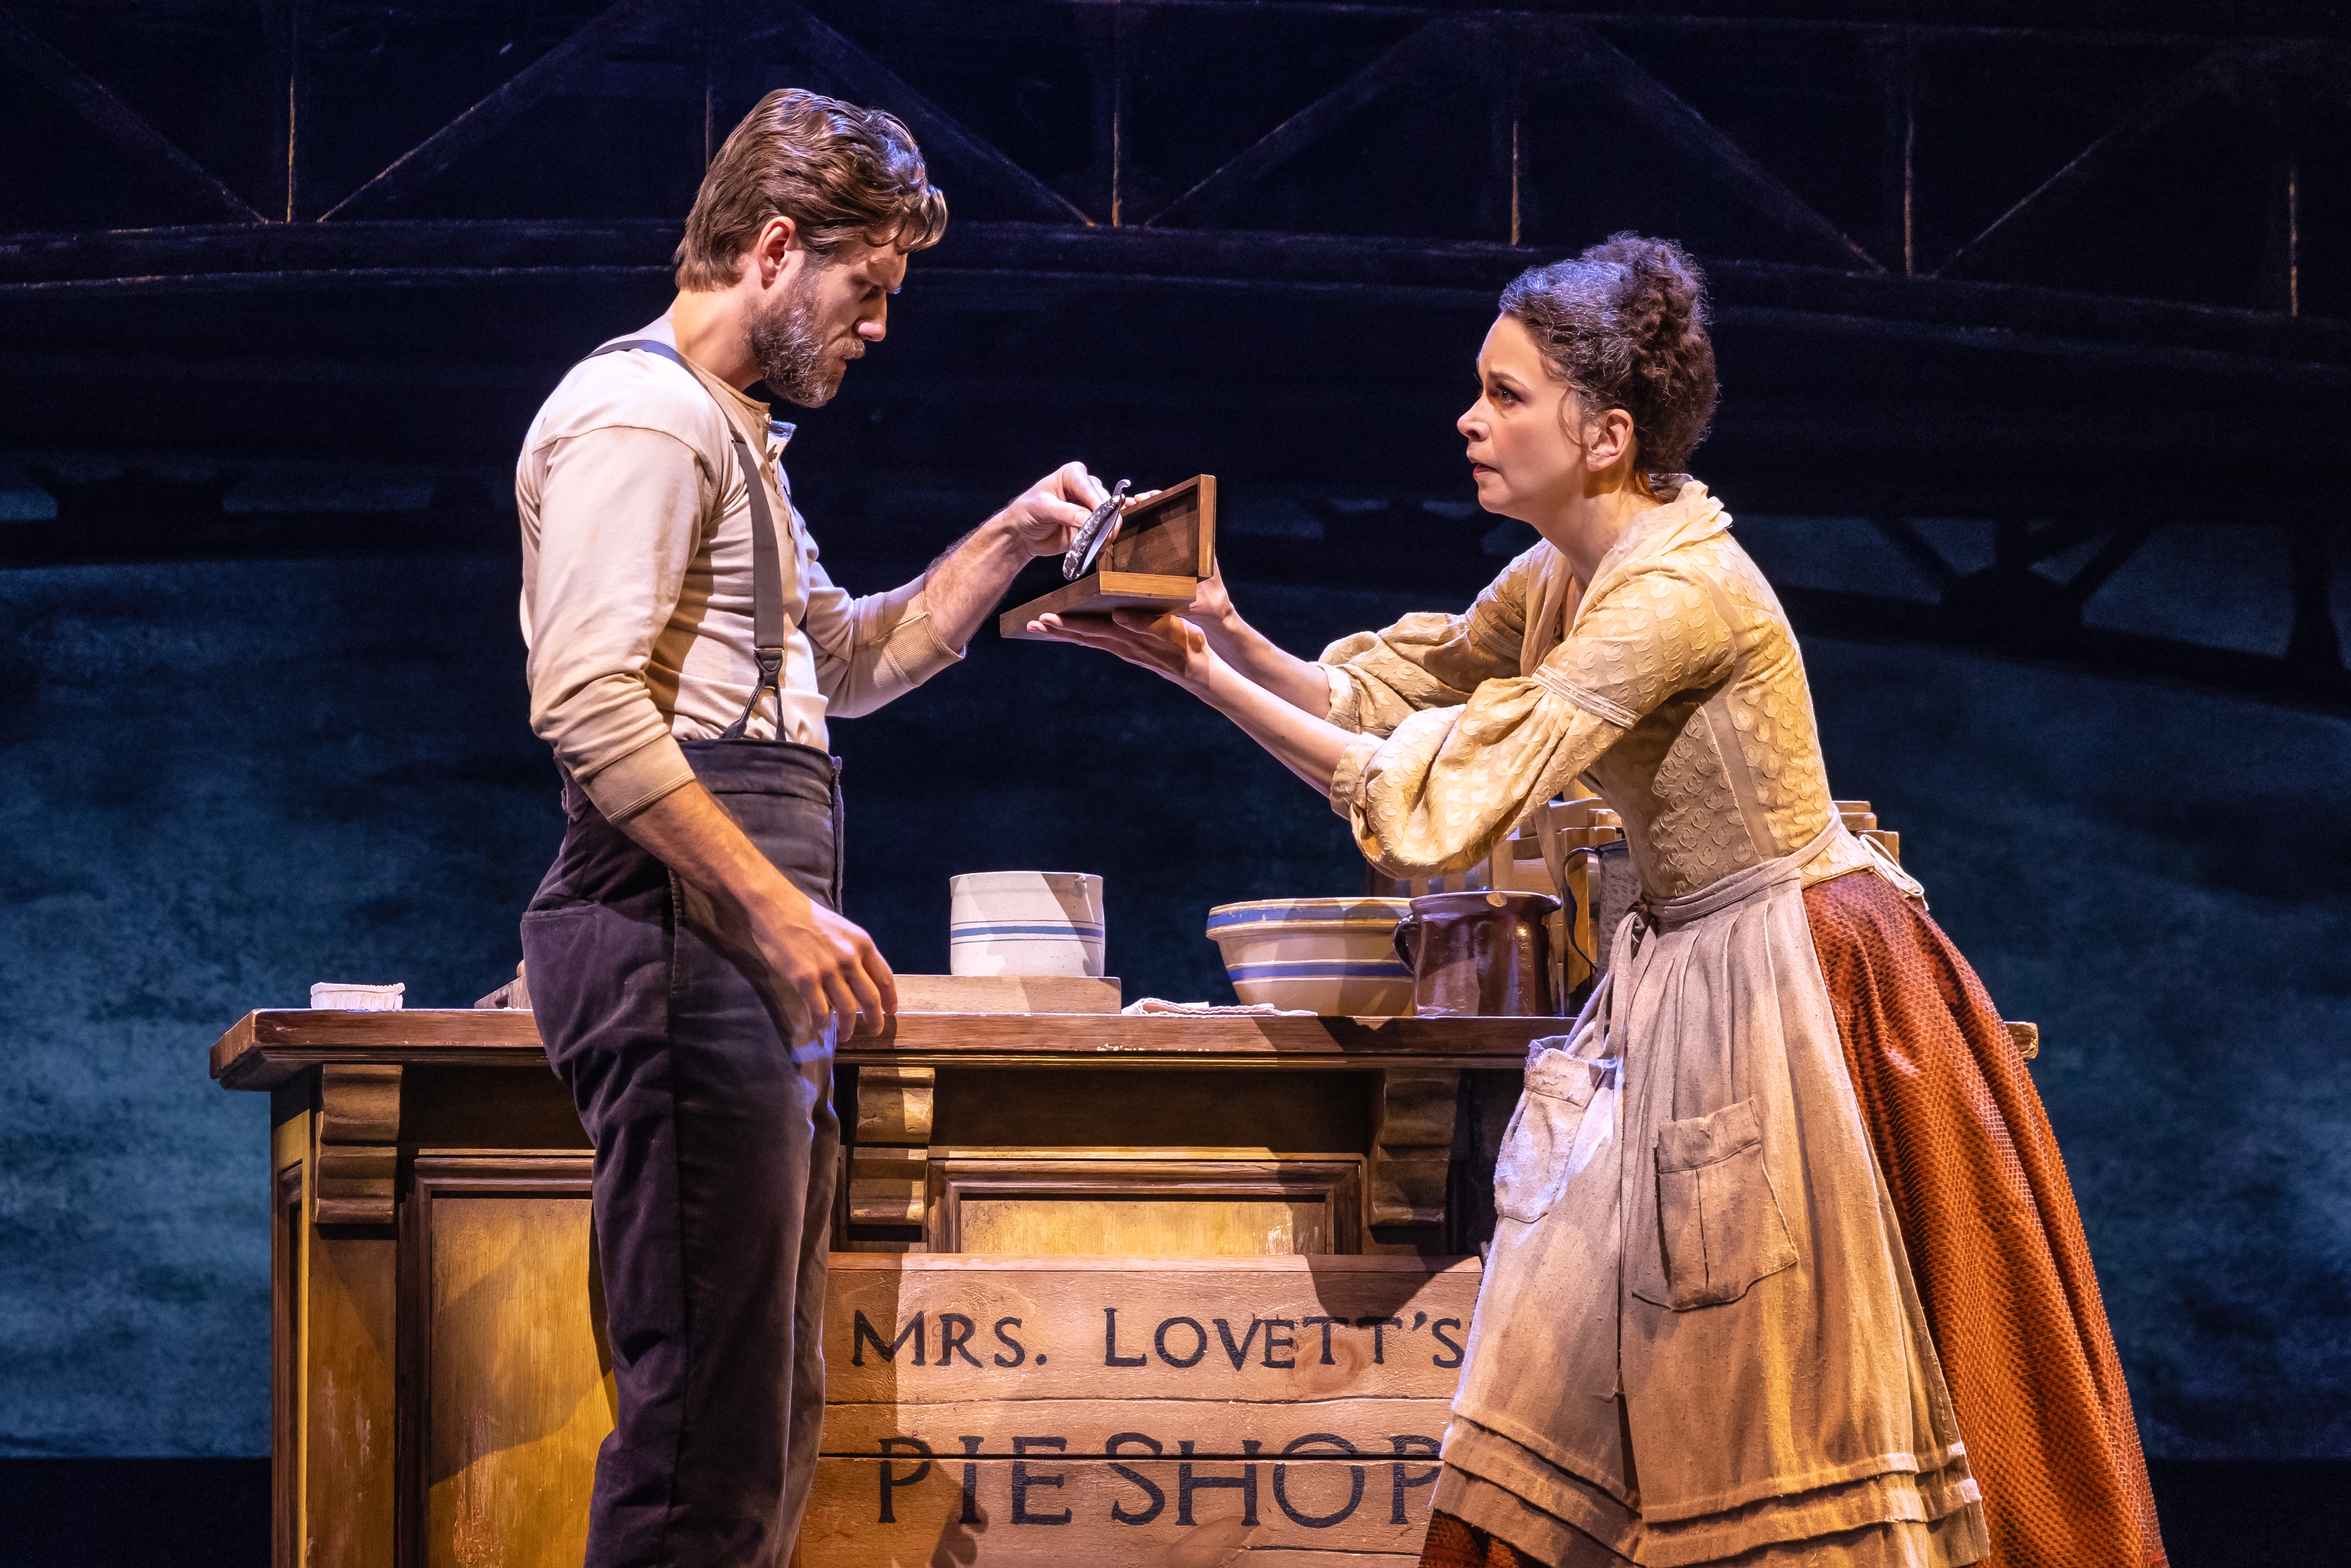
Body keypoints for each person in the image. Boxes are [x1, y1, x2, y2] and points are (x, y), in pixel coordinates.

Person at [1030, 235, 2164, 1567]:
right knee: (1566, 1342)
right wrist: (1216, 634)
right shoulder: (1566, 568)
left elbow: (1449, 798)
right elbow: (1398, 702)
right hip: (1684, 976)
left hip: (1800, 985)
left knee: (1780, 1396)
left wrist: (1200, 679)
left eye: (1506, 395)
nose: (1471, 418)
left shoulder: (1673, 594)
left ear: (1608, 431)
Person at [515, 90, 1109, 1566]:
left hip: (729, 943)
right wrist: (777, 912)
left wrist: (1016, 539)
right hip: (675, 926)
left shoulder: (732, 436)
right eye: (871, 287)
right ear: (776, 247)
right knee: (699, 1421)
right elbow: (588, 703)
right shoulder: (641, 416)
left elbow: (842, 661)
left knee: (763, 1400)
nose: (881, 327)